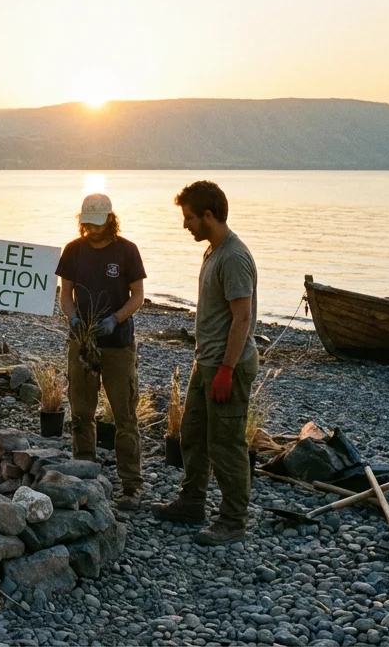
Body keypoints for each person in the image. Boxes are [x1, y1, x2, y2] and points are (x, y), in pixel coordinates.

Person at [154, 180, 259, 546]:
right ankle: (192, 502)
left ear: (209, 216)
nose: (185, 225)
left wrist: (227, 371)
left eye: (189, 217)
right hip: (206, 362)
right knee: (193, 436)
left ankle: (233, 522)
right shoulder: (213, 252)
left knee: (226, 445)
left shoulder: (233, 257)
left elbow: (242, 319)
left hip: (227, 365)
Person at [56, 193, 147, 513]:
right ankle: (84, 472)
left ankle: (131, 485)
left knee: (125, 414)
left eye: (98, 223)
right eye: (87, 224)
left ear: (111, 218)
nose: (93, 230)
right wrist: (73, 318)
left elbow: (138, 296)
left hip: (118, 344)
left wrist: (115, 319)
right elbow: (65, 296)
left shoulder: (126, 251)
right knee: (81, 411)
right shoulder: (73, 251)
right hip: (82, 341)